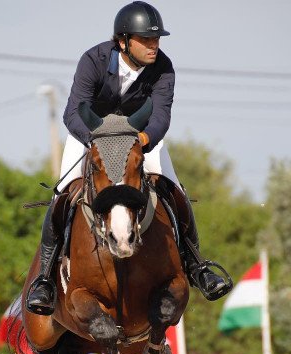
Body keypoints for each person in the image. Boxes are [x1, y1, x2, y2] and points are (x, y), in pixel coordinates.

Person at [26, 1, 230, 316]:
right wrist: (99, 143)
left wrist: (141, 142)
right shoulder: (92, 60)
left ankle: (196, 265)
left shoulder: (163, 68)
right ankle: (45, 280)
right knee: (63, 192)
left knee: (174, 190)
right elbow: (73, 111)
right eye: (146, 40)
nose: (154, 46)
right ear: (123, 41)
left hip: (139, 140)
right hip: (91, 137)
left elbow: (161, 116)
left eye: (156, 39)